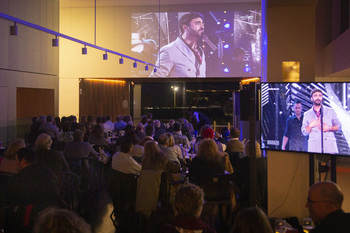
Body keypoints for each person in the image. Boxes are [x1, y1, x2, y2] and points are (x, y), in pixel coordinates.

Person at [149, 12, 206, 78]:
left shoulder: (200, 51)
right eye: (197, 23)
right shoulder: (169, 51)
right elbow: (155, 79)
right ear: (185, 27)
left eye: (202, 23)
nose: (202, 26)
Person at [302, 88, 341, 154]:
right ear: (311, 98)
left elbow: (339, 127)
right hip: (314, 148)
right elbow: (304, 132)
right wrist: (311, 125)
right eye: (315, 95)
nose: (318, 97)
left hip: (330, 147)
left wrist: (329, 128)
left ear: (322, 97)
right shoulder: (307, 114)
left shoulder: (330, 111)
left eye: (320, 95)